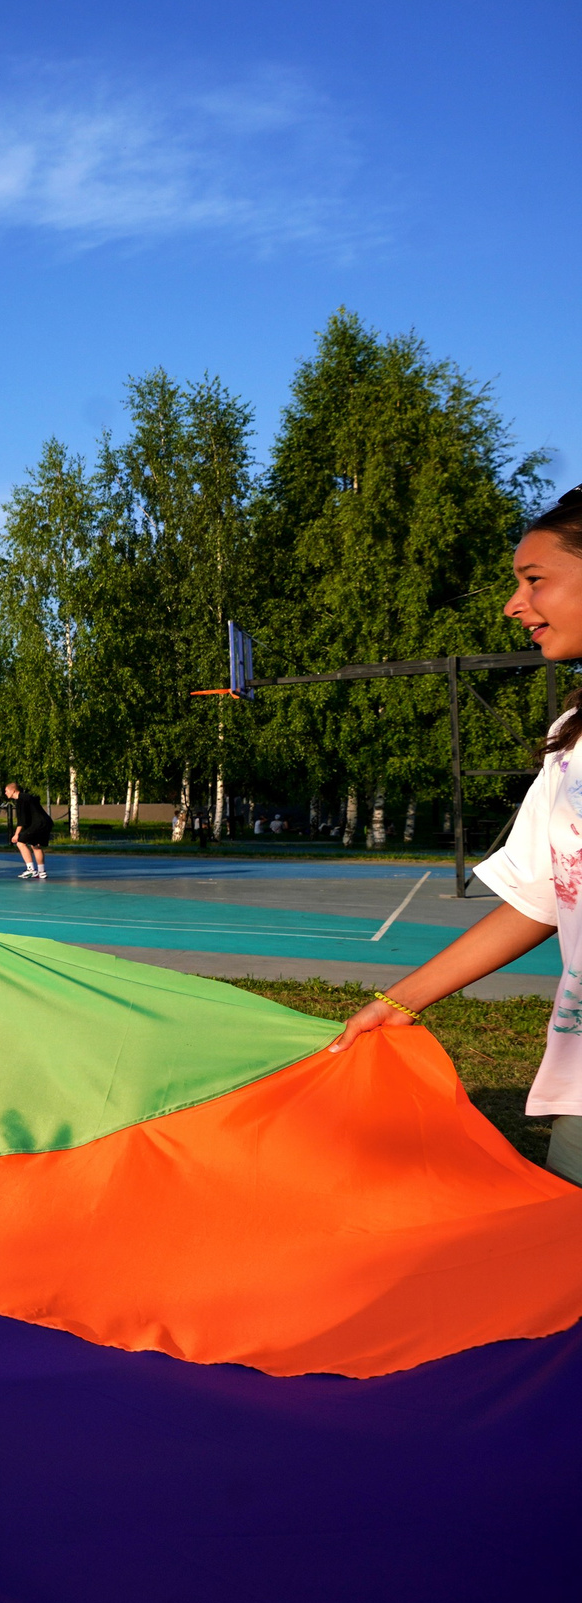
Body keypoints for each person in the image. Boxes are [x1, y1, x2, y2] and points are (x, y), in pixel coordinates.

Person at [333, 488, 582, 1184]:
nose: (512, 604)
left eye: (534, 580)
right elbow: (540, 898)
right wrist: (398, 1000)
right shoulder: (570, 740)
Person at [7, 780, 52, 877]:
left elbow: (22, 821)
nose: (5, 793)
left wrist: (16, 834)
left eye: (7, 791)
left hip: (38, 824)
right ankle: (41, 872)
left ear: (13, 791)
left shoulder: (21, 800)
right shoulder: (28, 797)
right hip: (46, 822)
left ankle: (30, 869)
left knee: (20, 843)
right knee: (35, 845)